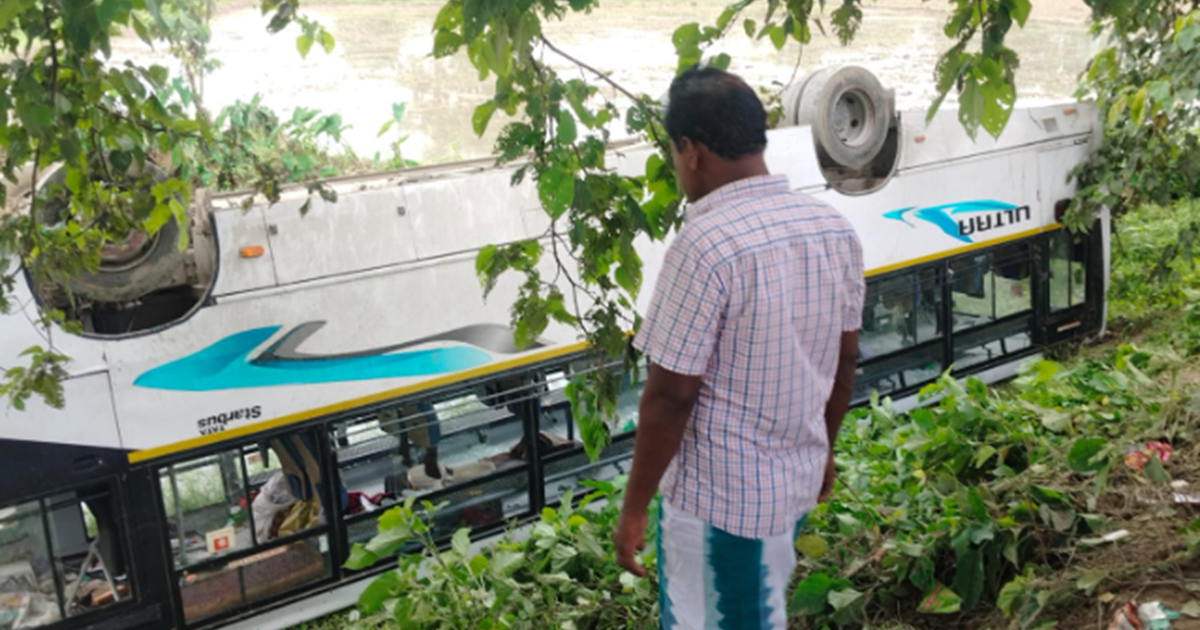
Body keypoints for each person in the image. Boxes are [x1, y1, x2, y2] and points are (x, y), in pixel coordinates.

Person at [613, 66, 864, 630]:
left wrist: (633, 511)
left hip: (718, 505)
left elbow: (670, 397)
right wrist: (823, 445)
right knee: (761, 609)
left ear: (691, 150)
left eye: (675, 156)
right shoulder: (832, 228)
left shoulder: (703, 245)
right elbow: (844, 359)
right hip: (792, 486)